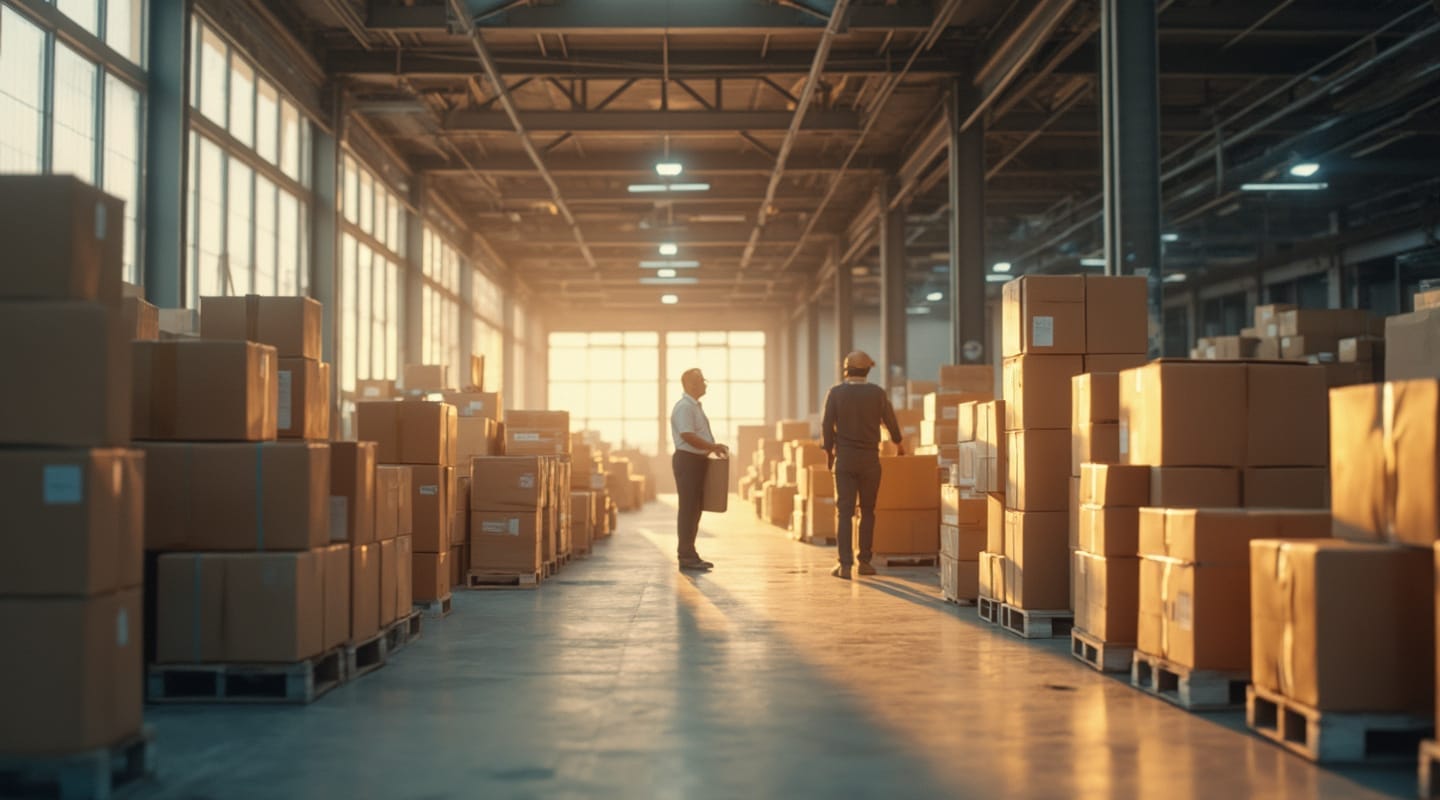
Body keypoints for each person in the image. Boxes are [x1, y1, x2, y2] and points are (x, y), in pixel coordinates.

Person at [821, 351, 904, 580]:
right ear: (868, 369)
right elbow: (890, 421)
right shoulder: (877, 393)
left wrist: (829, 453)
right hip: (870, 460)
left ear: (846, 370)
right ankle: (865, 562)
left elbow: (827, 425)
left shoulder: (835, 393)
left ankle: (845, 565)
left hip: (845, 459)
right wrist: (899, 444)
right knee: (868, 511)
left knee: (844, 513)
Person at [670, 368, 728, 571]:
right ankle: (685, 556)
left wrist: (711, 449)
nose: (705, 384)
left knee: (694, 509)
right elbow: (687, 435)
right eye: (702, 381)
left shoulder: (694, 406)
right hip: (688, 461)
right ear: (690, 384)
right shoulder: (685, 407)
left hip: (696, 461)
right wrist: (712, 446)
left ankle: (690, 554)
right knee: (688, 509)